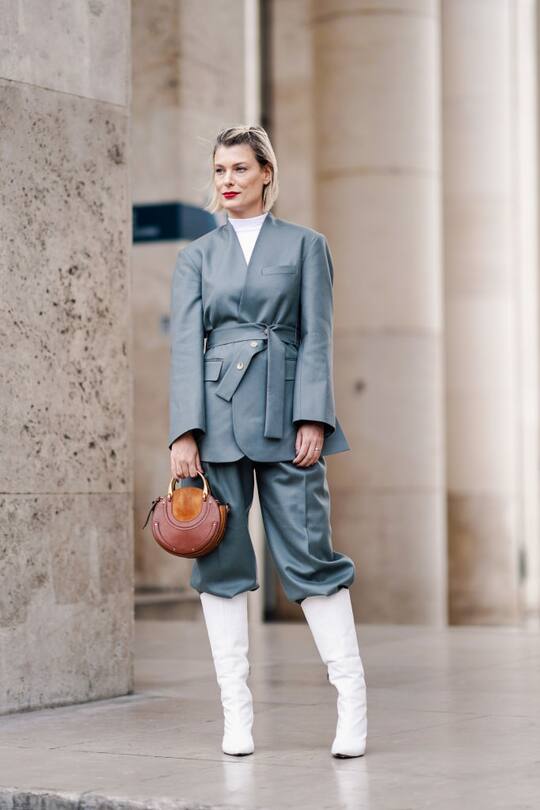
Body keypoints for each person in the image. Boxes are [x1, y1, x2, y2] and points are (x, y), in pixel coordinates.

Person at [168, 125, 367, 758]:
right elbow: (182, 349)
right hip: (216, 423)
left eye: (239, 169)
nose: (226, 179)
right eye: (219, 169)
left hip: (288, 419)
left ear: (266, 175)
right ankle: (236, 717)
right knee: (220, 562)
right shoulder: (196, 255)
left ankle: (353, 709)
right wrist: (183, 433)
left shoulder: (307, 246)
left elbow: (318, 336)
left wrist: (315, 417)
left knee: (311, 557)